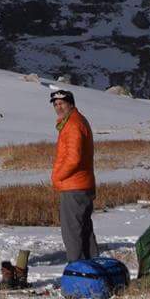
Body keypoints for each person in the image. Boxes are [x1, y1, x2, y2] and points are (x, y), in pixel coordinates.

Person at [49, 85, 98, 263]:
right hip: (81, 184)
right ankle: (93, 266)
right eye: (55, 104)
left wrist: (57, 177)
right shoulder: (76, 121)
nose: (58, 107)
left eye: (62, 103)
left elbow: (73, 158)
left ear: (71, 104)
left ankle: (76, 268)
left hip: (74, 186)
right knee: (84, 229)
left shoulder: (73, 125)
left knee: (72, 231)